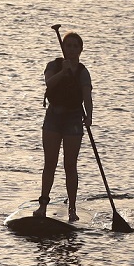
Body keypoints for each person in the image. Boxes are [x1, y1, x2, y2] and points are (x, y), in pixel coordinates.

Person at [34, 31, 92, 220]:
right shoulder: (54, 65)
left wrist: (89, 117)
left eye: (76, 46)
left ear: (81, 50)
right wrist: (62, 72)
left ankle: (72, 209)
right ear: (64, 48)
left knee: (70, 165)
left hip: (74, 119)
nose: (72, 49)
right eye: (69, 45)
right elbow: (49, 84)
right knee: (50, 163)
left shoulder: (83, 72)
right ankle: (42, 206)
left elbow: (87, 97)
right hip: (53, 117)